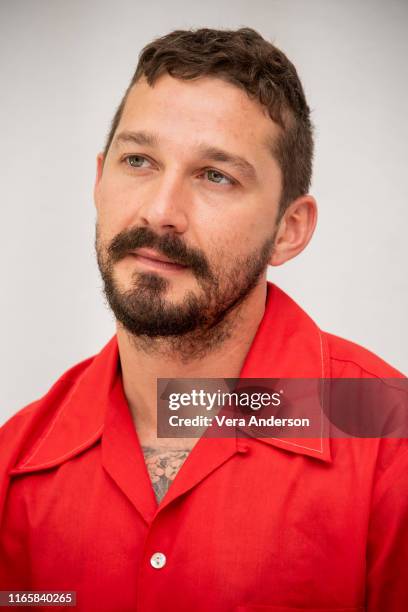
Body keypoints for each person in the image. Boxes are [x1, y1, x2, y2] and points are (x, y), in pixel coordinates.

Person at [0, 27, 406, 612]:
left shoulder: (389, 439)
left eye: (216, 175)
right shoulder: (17, 464)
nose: (161, 211)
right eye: (138, 160)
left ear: (288, 230)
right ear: (98, 180)